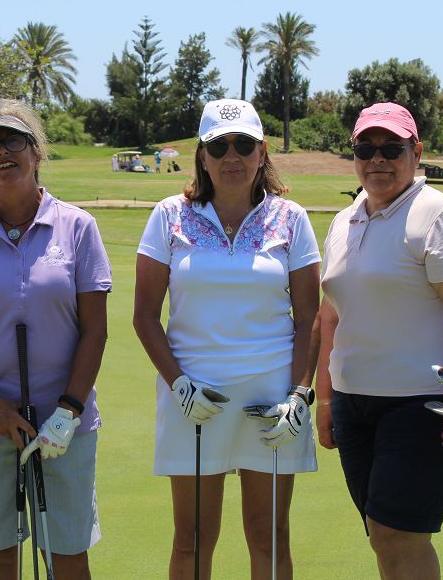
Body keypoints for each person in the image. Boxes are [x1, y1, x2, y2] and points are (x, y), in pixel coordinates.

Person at [133, 98, 321, 579]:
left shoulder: (291, 218)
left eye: (244, 144)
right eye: (219, 145)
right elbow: (144, 316)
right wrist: (177, 384)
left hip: (272, 398)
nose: (231, 156)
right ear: (202, 154)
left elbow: (309, 318)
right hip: (194, 396)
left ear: (262, 152)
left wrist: (301, 393)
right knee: (191, 541)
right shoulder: (169, 215)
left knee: (269, 538)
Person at [314, 102, 443, 580]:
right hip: (356, 404)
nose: (378, 159)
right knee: (382, 532)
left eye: (391, 148)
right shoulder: (343, 221)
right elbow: (330, 316)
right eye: (365, 148)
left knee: (399, 532)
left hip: (427, 406)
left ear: (416, 152)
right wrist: (326, 401)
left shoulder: (438, 215)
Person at [0, 100, 112, 580]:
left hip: (64, 423)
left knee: (68, 553)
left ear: (36, 152)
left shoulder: (77, 227)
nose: (1, 153)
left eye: (13, 140)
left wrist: (69, 411)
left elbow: (95, 329)